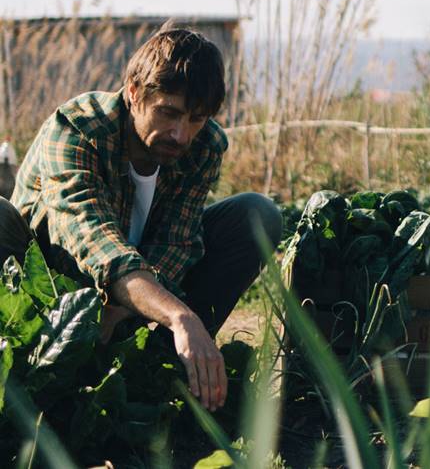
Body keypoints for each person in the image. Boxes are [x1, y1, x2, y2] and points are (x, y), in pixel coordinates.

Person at [0, 26, 283, 409]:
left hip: (133, 302)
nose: (180, 135)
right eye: (168, 113)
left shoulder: (204, 145)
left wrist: (123, 312)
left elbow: (177, 243)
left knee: (256, 214)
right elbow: (91, 237)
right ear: (134, 93)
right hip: (52, 291)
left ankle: (166, 370)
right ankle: (23, 373)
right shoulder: (77, 130)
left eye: (196, 119)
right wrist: (179, 315)